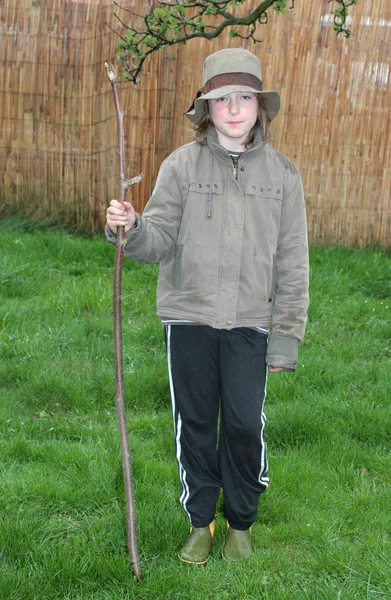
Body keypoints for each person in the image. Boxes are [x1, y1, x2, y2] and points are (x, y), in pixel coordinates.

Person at [105, 48, 309, 564]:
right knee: (193, 421)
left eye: (244, 98)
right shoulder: (181, 165)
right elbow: (156, 242)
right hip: (189, 318)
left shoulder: (283, 175)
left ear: (259, 106)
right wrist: (126, 226)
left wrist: (285, 337)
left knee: (243, 422)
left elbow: (293, 262)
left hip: (249, 325)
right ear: (206, 108)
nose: (235, 109)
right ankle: (201, 521)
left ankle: (241, 520)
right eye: (223, 100)